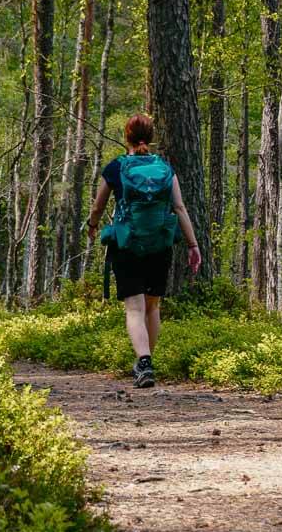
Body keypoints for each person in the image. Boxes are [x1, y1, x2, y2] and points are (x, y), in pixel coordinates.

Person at [86, 114, 201, 388]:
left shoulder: (116, 168)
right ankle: (146, 362)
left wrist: (92, 225)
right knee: (152, 306)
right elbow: (180, 208)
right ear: (150, 137)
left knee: (134, 308)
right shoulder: (164, 168)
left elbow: (98, 205)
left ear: (126, 136)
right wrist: (193, 244)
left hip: (127, 245)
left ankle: (144, 361)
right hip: (159, 245)